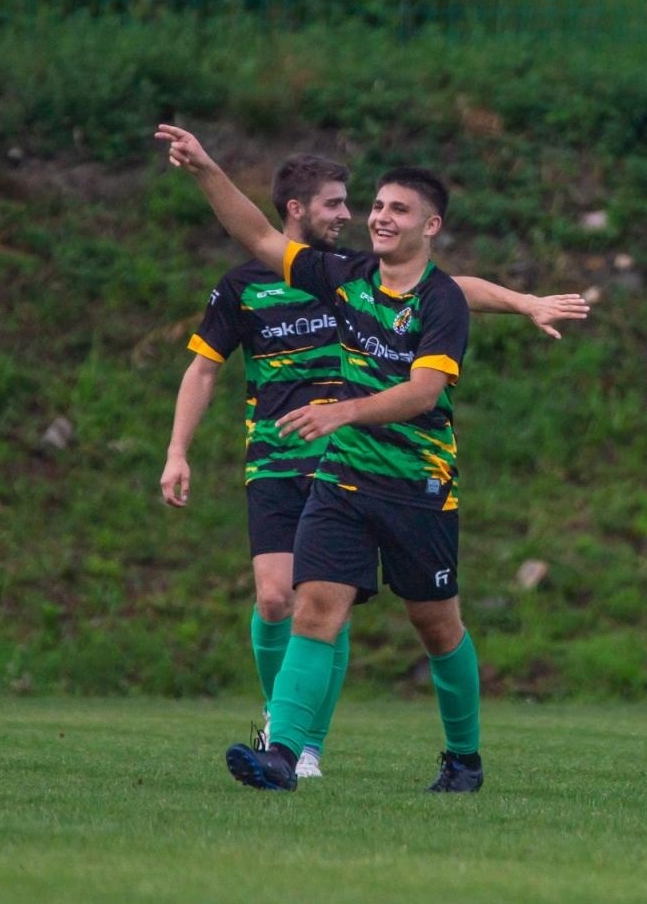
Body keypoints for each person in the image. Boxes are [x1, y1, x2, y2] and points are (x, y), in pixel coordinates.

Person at [160, 152, 588, 781]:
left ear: (431, 226)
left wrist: (343, 411)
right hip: (342, 480)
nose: (380, 217)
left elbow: (423, 392)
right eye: (379, 206)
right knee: (312, 609)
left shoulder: (441, 302)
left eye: (399, 210)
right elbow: (258, 236)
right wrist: (204, 170)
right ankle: (285, 754)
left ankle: (464, 758)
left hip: (417, 485)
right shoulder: (349, 276)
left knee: (437, 627)